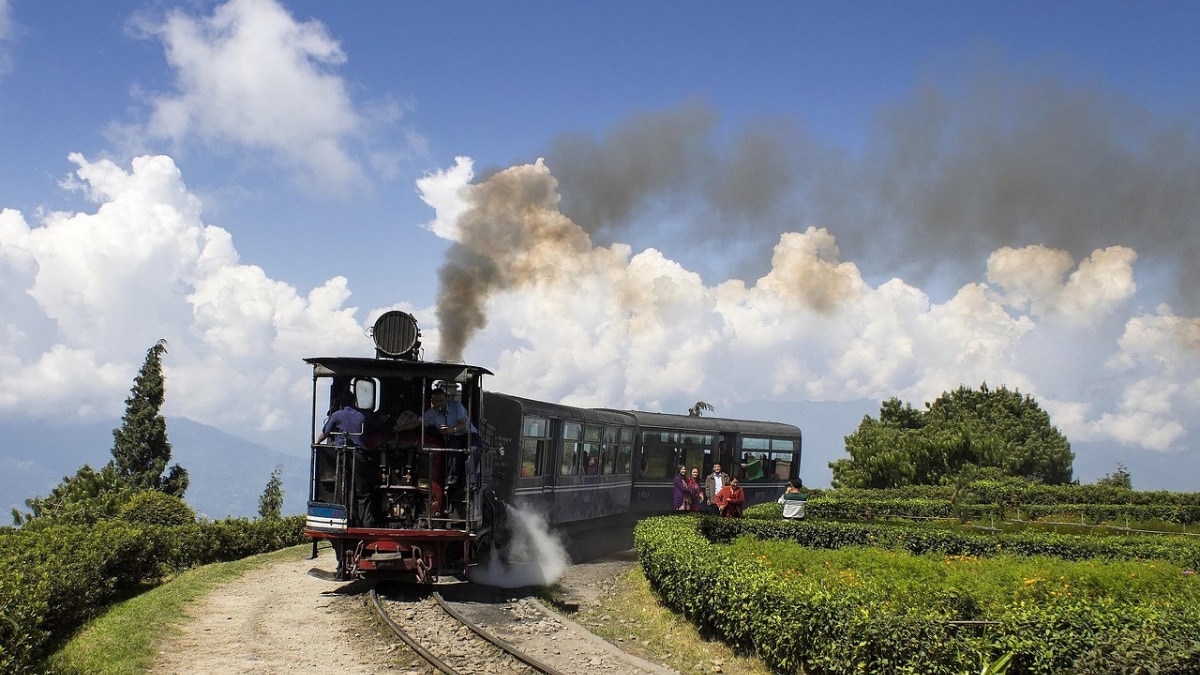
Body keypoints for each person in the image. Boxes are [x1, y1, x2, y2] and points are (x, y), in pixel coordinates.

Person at [317, 393, 376, 527]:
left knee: (345, 488)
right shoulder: (362, 416)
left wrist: (316, 442)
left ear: (341, 404)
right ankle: (367, 523)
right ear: (354, 402)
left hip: (342, 455)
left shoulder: (337, 415)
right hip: (359, 455)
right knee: (363, 491)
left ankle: (347, 520)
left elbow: (325, 432)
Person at [421, 386, 480, 488]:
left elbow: (462, 425)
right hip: (455, 437)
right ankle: (452, 479)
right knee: (453, 448)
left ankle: (472, 482)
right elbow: (419, 421)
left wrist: (451, 430)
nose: (439, 403)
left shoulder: (457, 406)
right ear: (432, 402)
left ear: (446, 398)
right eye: (436, 401)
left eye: (441, 400)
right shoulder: (430, 413)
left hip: (469, 434)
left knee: (473, 449)